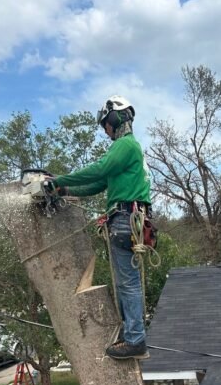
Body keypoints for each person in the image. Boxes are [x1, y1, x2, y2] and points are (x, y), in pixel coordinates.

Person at [46, 95, 151, 360]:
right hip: (130, 219)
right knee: (128, 283)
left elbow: (99, 169)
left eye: (105, 124)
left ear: (115, 118)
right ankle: (133, 335)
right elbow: (97, 184)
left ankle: (135, 339)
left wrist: (57, 179)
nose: (105, 131)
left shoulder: (125, 145)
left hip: (125, 219)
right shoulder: (127, 150)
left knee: (128, 284)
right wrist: (64, 189)